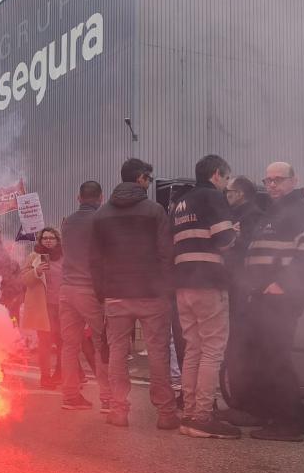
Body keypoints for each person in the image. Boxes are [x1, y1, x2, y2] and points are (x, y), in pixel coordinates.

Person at [90, 158, 180, 429]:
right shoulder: (155, 211)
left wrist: (101, 292)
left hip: (116, 294)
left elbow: (95, 259)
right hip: (152, 294)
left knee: (118, 352)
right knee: (157, 352)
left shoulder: (102, 214)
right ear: (140, 178)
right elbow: (166, 253)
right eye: (149, 179)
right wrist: (167, 289)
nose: (150, 184)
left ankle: (119, 410)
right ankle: (165, 413)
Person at [241, 162, 304, 442]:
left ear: (294, 180)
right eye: (268, 180)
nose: (272, 185)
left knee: (276, 357)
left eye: (278, 179)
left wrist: (281, 284)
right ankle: (287, 416)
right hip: (264, 295)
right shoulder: (273, 212)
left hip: (282, 297)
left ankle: (287, 423)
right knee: (265, 356)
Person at [171, 155, 240, 439]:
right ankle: (203, 416)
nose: (225, 185)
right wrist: (236, 233)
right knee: (213, 350)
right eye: (225, 179)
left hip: (183, 283)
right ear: (216, 174)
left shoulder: (180, 203)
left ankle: (188, 413)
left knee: (194, 349)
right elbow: (223, 240)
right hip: (208, 283)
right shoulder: (213, 198)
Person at [58, 180, 110, 411]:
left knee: (69, 345)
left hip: (66, 289)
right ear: (101, 197)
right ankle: (108, 397)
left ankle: (70, 395)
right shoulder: (101, 220)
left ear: (78, 198)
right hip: (90, 289)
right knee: (102, 343)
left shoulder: (67, 223)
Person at [219, 176, 265, 424]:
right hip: (236, 290)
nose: (226, 195)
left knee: (239, 348)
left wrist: (231, 240)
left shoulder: (251, 217)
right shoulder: (236, 216)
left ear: (241, 194)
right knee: (234, 348)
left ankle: (244, 404)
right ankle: (240, 402)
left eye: (229, 192)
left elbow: (246, 252)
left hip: (242, 293)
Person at [20, 227, 65, 390]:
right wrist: (36, 271)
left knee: (63, 343)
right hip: (43, 308)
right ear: (40, 240)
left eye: (51, 238)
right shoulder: (34, 257)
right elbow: (24, 279)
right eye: (44, 238)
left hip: (63, 307)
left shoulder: (65, 258)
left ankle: (60, 373)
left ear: (57, 240)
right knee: (45, 344)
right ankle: (45, 377)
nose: (48, 240)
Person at [0, 226, 24, 324]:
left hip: (7, 302)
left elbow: (18, 282)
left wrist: (14, 300)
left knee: (11, 328)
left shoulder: (8, 257)